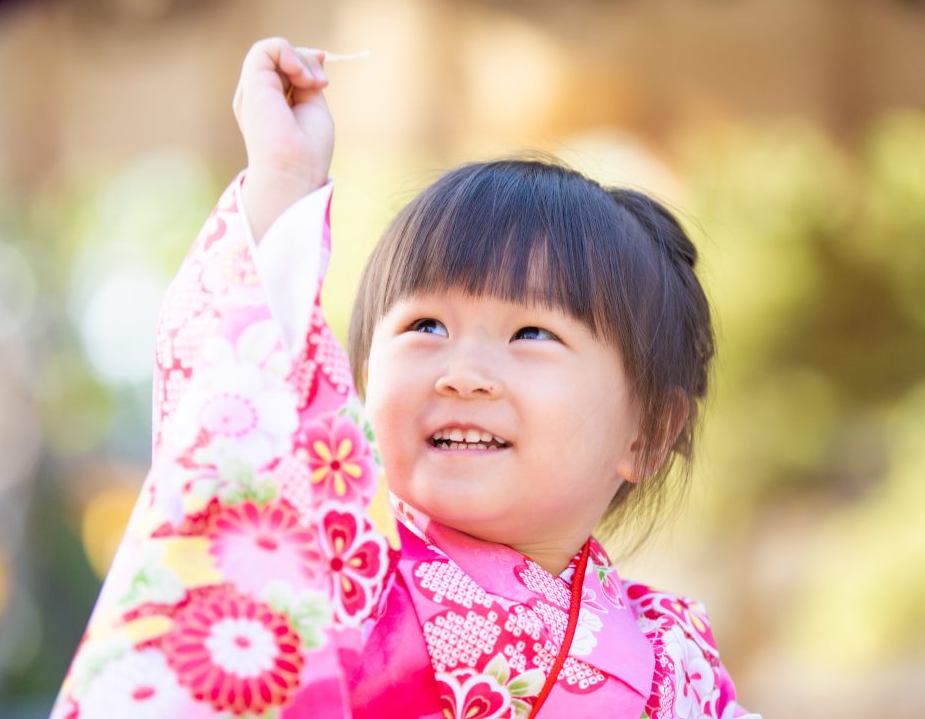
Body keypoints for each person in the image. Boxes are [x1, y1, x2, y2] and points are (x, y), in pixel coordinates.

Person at [50, 37, 759, 719]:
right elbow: (237, 408)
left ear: (647, 432)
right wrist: (284, 178)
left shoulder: (676, 658)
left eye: (532, 334)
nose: (463, 374)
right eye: (426, 326)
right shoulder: (331, 582)